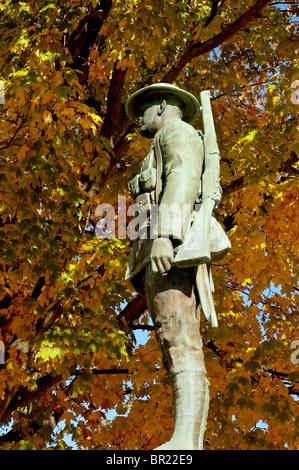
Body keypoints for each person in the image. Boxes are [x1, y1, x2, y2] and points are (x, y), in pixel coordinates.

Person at [125, 83, 211, 450]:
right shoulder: (156, 145)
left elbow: (183, 178)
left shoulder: (177, 132)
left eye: (143, 110)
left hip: (169, 249)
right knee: (170, 337)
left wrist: (165, 235)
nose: (139, 120)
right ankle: (183, 436)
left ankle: (186, 441)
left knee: (179, 337)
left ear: (161, 107)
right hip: (155, 252)